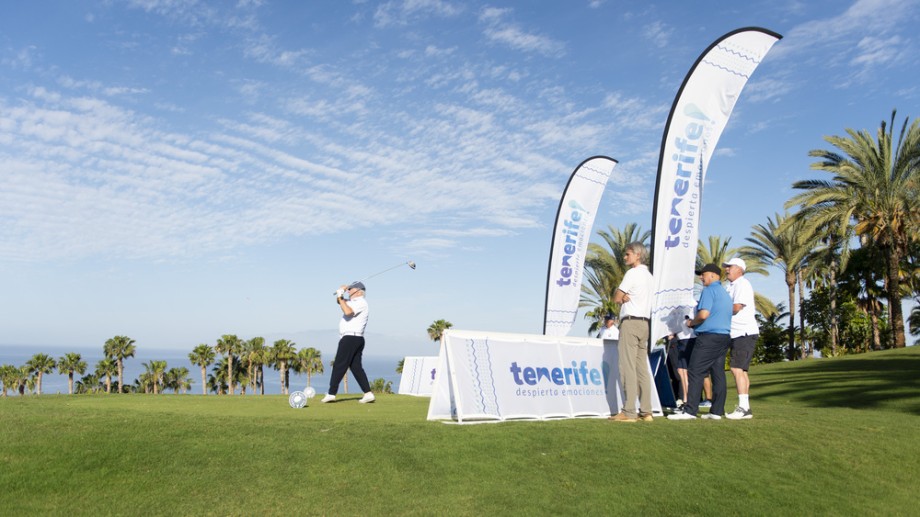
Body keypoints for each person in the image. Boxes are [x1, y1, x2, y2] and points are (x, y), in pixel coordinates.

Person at [668, 264, 732, 421]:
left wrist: (691, 323)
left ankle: (690, 411)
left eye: (703, 275)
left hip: (708, 337)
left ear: (712, 275)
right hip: (723, 337)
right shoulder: (724, 293)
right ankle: (716, 411)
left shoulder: (709, 290)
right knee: (718, 373)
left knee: (695, 371)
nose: (701, 278)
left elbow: (703, 314)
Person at [609, 242, 655, 423]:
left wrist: (623, 297)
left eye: (627, 254)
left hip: (631, 322)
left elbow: (617, 297)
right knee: (642, 368)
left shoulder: (633, 273)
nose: (625, 257)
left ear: (637, 255)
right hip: (645, 324)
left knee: (627, 366)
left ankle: (629, 411)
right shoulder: (649, 276)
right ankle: (647, 411)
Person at [322, 281, 376, 404]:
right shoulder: (354, 302)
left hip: (350, 338)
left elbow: (347, 312)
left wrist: (341, 296)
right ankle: (368, 394)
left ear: (358, 291)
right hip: (354, 338)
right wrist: (340, 294)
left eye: (350, 289)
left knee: (339, 365)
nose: (348, 290)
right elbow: (340, 303)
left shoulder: (361, 302)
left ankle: (331, 394)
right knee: (356, 368)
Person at [723, 257, 759, 420]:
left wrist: (717, 312)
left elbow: (736, 308)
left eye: (729, 267)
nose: (726, 269)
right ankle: (745, 408)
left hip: (744, 332)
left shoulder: (742, 284)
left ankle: (743, 408)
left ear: (739, 269)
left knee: (737, 369)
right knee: (741, 370)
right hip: (737, 333)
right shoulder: (730, 286)